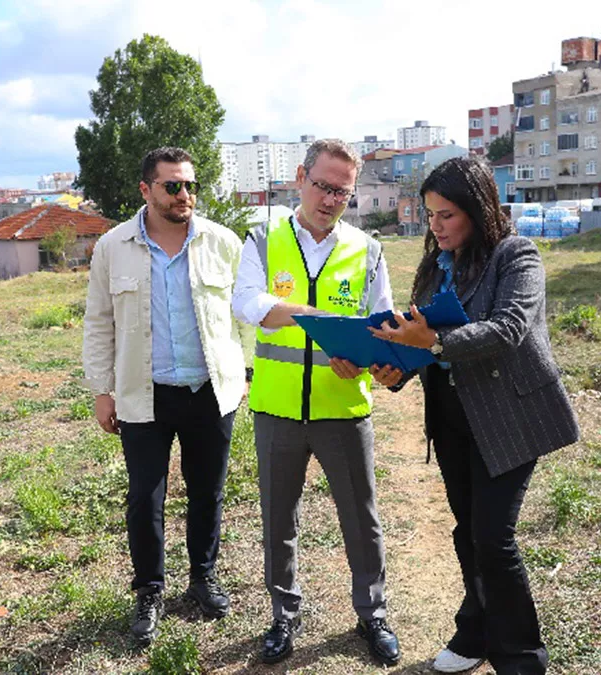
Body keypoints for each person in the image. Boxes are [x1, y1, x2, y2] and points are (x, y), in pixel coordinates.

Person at [368, 156, 580, 675]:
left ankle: (522, 658)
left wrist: (434, 342)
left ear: (478, 209)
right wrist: (398, 368)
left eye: (446, 216)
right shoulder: (436, 264)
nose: (434, 227)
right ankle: (476, 632)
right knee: (468, 532)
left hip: (509, 418)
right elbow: (423, 341)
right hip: (453, 419)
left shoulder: (517, 256)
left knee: (493, 537)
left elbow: (509, 329)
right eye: (430, 215)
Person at [231, 138, 401, 666]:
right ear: (302, 178)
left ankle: (371, 613)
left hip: (344, 410)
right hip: (278, 408)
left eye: (342, 192)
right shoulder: (263, 237)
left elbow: (383, 322)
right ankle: (284, 615)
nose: (330, 199)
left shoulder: (366, 249)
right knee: (278, 519)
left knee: (361, 519)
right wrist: (313, 317)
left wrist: (370, 355)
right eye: (323, 186)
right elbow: (247, 303)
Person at [82, 147, 246, 648]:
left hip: (209, 392)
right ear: (146, 190)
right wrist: (101, 391)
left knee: (208, 492)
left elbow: (249, 311)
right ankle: (150, 590)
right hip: (143, 395)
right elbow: (99, 322)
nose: (184, 195)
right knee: (144, 499)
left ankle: (202, 578)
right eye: (173, 186)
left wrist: (250, 370)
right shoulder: (113, 247)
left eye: (191, 185)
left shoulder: (222, 242)